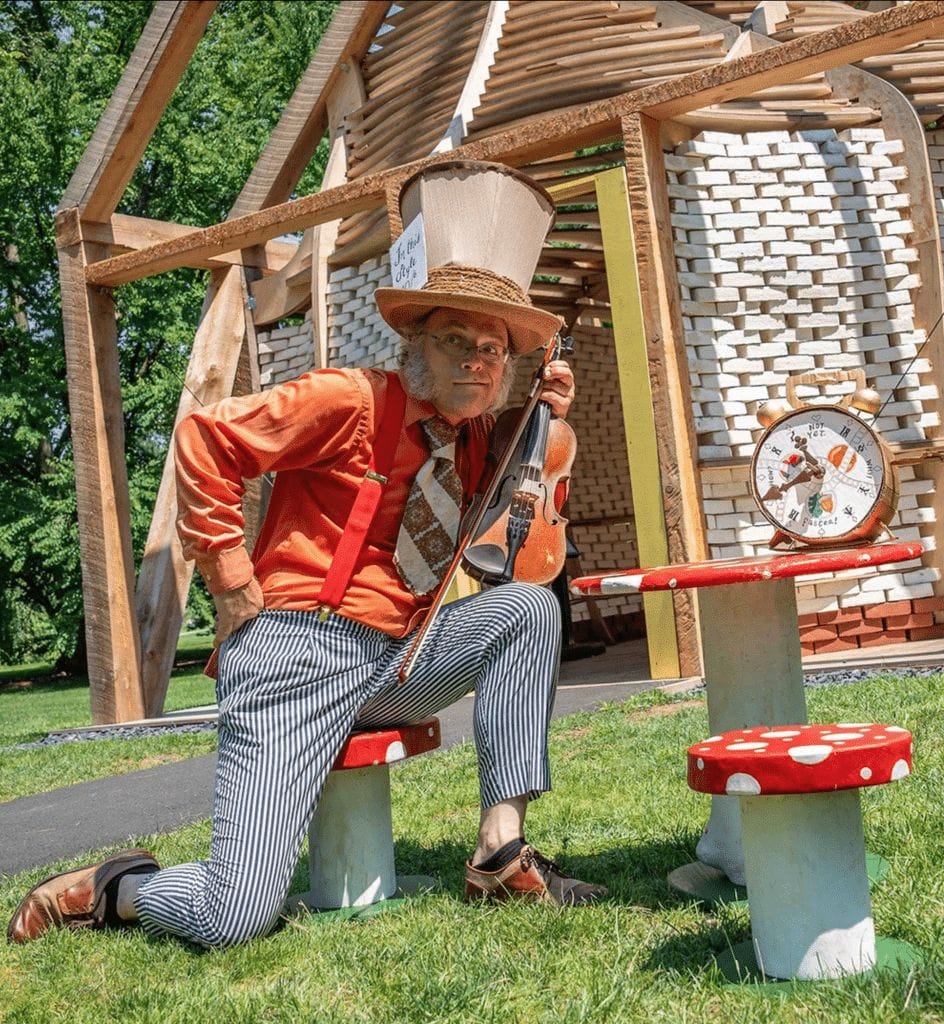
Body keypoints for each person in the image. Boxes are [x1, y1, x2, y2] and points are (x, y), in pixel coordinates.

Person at [8, 160, 605, 948]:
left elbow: (509, 515)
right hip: (294, 653)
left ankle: (500, 849)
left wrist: (536, 417)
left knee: (527, 609)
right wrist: (230, 581)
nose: (476, 359)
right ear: (416, 343)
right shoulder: (345, 398)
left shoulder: (473, 441)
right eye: (456, 340)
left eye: (493, 349)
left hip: (398, 660)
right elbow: (205, 440)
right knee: (233, 918)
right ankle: (118, 887)